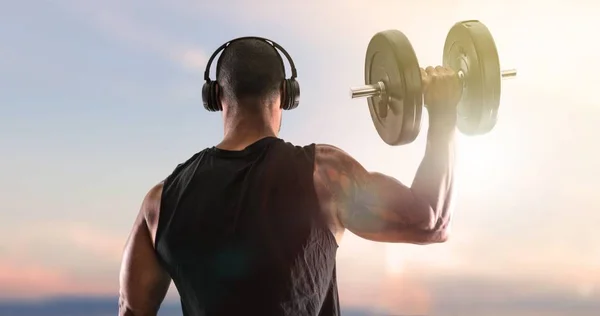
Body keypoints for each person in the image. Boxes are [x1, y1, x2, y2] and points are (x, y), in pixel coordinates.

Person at [118, 37, 461, 316]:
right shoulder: (324, 175)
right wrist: (444, 115)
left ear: (217, 97)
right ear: (285, 94)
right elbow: (431, 224)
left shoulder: (159, 203)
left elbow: (132, 311)